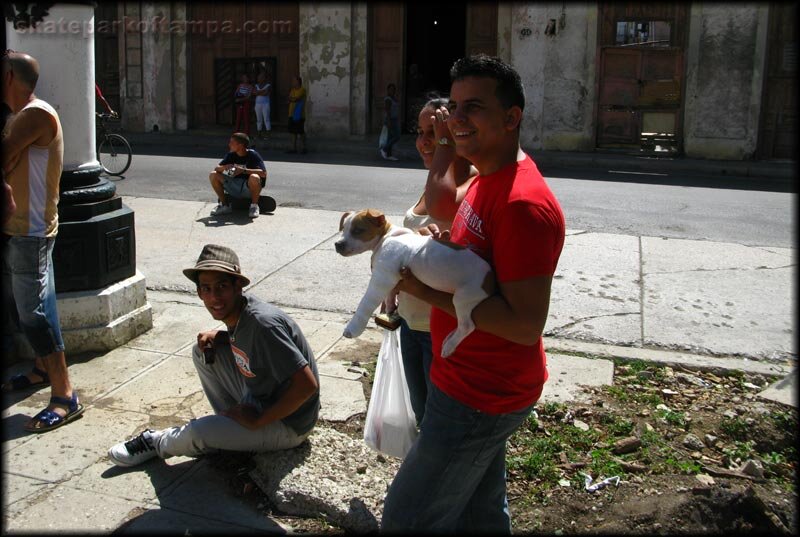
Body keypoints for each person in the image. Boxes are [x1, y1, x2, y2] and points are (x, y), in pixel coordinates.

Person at [381, 54, 566, 533]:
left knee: (406, 519)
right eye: (455, 105)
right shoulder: (486, 178)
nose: (457, 118)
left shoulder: (523, 203)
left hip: (481, 392)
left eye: (473, 107)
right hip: (462, 375)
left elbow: (524, 325)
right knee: (479, 512)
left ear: (511, 118)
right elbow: (474, 262)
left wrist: (422, 288)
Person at [108, 244, 320, 467]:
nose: (214, 297)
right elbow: (251, 346)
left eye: (222, 287)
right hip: (261, 397)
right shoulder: (241, 315)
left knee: (198, 432)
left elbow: (307, 385)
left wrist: (259, 420)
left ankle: (156, 442)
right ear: (199, 292)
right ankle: (230, 426)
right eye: (206, 289)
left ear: (238, 286)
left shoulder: (262, 324)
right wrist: (221, 337)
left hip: (288, 424)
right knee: (204, 351)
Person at [1, 50, 85, 433]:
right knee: (39, 307)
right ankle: (40, 368)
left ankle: (65, 394)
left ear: (8, 78)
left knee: (33, 315)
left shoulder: (36, 114)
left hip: (29, 231)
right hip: (23, 229)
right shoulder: (21, 116)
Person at [392, 94, 477, 426]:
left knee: (441, 424)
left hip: (440, 326)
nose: (425, 142)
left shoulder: (472, 185)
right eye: (420, 131)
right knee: (420, 415)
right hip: (409, 321)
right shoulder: (433, 182)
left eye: (436, 131)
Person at [208, 132, 267, 219]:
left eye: (232, 142)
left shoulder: (252, 154)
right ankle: (225, 206)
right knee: (213, 175)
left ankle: (254, 206)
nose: (229, 144)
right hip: (234, 185)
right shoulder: (231, 155)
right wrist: (225, 167)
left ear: (240, 145)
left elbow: (263, 173)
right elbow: (217, 168)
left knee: (254, 177)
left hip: (248, 187)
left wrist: (244, 171)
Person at [380, 83, 401, 161]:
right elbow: (387, 111)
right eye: (391, 89)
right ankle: (384, 149)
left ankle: (389, 155)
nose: (392, 90)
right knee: (397, 136)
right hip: (390, 120)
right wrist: (389, 122)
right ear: (388, 90)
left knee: (390, 137)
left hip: (394, 119)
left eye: (393, 89)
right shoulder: (388, 99)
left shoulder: (394, 98)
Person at [286, 76, 306, 154]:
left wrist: (291, 99)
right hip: (291, 113)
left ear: (298, 82)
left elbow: (296, 99)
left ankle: (304, 147)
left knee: (300, 131)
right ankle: (293, 148)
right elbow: (290, 99)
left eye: (294, 81)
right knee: (292, 132)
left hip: (300, 115)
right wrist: (291, 99)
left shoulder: (302, 90)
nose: (292, 82)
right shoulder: (292, 90)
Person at [253, 71, 271, 144]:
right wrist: (261, 92)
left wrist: (258, 92)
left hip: (265, 104)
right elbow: (254, 92)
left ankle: (268, 134)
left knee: (266, 118)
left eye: (261, 77)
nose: (259, 78)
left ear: (264, 78)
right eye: (259, 77)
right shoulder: (256, 85)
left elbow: (266, 93)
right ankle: (259, 133)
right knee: (259, 119)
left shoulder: (268, 85)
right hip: (258, 104)